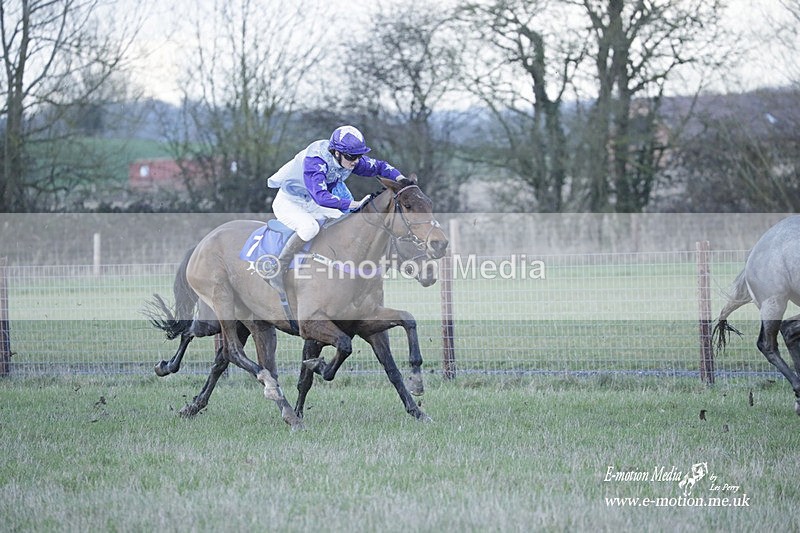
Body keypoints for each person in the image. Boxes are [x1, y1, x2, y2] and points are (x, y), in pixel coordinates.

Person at [265, 125, 407, 292]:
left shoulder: (348, 158)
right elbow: (321, 196)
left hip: (312, 203)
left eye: (359, 156)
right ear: (336, 152)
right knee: (309, 228)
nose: (355, 161)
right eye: (351, 156)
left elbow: (381, 167)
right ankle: (277, 270)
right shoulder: (315, 161)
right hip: (290, 202)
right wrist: (353, 204)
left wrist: (402, 179)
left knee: (343, 223)